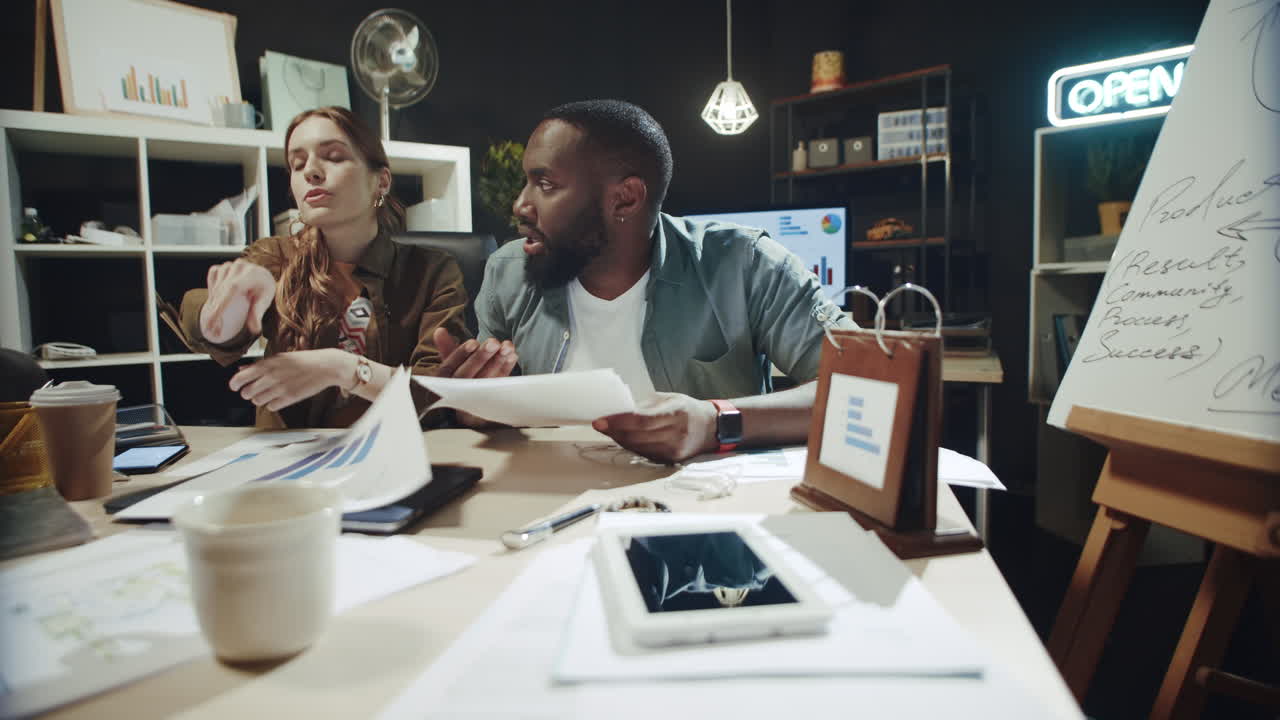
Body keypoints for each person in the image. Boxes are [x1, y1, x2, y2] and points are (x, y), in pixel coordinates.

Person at [435, 99, 855, 462]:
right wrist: (476, 407)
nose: (520, 205)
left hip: (699, 510)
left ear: (626, 198)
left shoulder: (745, 264)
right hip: (547, 509)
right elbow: (496, 423)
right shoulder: (508, 272)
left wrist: (716, 421)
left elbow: (860, 391)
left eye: (545, 184)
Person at [179, 106, 491, 429]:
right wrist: (222, 313)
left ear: (381, 181)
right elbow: (211, 322)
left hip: (391, 456)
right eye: (297, 164)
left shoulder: (434, 271)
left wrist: (341, 368)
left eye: (334, 156)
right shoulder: (273, 257)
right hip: (292, 460)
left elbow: (435, 394)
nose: (310, 171)